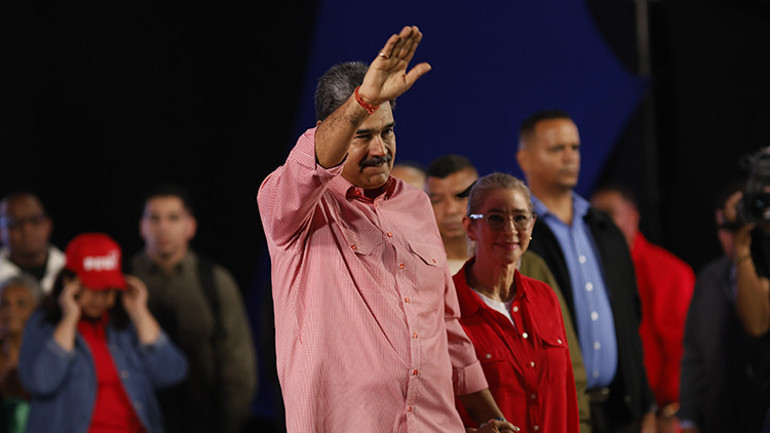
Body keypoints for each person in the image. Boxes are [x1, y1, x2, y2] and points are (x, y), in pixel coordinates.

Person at [257, 26, 516, 433]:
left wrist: (490, 417)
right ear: (334, 128)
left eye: (387, 131)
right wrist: (360, 102)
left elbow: (446, 327)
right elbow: (311, 164)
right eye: (363, 135)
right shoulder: (292, 208)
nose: (380, 149)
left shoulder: (417, 205)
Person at [516, 109, 656, 432]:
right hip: (560, 412)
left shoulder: (603, 227)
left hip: (621, 412)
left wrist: (645, 403)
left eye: (575, 147)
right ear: (525, 159)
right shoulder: (518, 235)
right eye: (557, 149)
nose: (570, 157)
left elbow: (630, 320)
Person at [18, 233, 187, 433]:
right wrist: (69, 319)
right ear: (69, 282)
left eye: (107, 289)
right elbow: (40, 383)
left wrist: (140, 314)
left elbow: (171, 374)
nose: (99, 298)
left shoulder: (124, 323)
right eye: (92, 288)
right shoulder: (44, 322)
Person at [452, 172, 579, 432]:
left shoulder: (545, 297)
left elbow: (568, 397)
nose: (510, 230)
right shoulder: (448, 305)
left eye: (520, 218)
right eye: (495, 218)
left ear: (531, 225)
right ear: (470, 227)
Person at [130, 184, 257, 433]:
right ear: (142, 226)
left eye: (173, 218)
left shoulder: (215, 282)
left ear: (190, 226)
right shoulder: (125, 282)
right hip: (136, 421)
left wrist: (231, 423)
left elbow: (237, 363)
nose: (163, 227)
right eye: (154, 218)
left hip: (204, 421)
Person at [591, 182, 695, 431]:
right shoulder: (593, 272)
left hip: (658, 414)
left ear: (633, 216)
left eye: (609, 214)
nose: (600, 223)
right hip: (610, 411)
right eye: (595, 216)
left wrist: (669, 408)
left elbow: (681, 347)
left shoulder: (668, 272)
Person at [678, 181, 770, 433]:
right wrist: (688, 418)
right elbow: (694, 355)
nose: (734, 236)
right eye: (727, 228)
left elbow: (757, 325)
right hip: (721, 418)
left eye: (741, 224)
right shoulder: (709, 278)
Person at [0, 193, 65, 295]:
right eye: (16, 222)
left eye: (35, 220)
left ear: (48, 225)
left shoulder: (70, 269)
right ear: (1, 230)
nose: (27, 229)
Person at [426, 154, 479, 274]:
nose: (450, 210)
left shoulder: (511, 260)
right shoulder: (416, 269)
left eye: (460, 197)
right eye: (437, 200)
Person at [0, 276, 39, 433]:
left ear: (37, 311)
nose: (11, 310)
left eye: (21, 304)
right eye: (4, 304)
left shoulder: (48, 357)